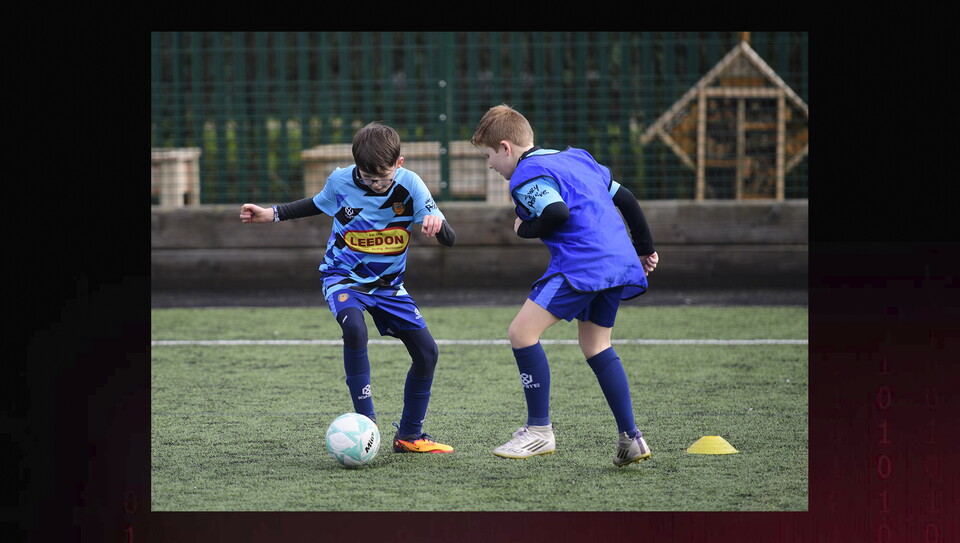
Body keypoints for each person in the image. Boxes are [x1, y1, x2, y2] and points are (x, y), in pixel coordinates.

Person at [240, 121, 456, 454]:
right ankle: (366, 424)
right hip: (342, 277)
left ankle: (410, 436)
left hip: (388, 287)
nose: (376, 185)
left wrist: (437, 225)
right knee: (354, 328)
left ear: (399, 163)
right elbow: (315, 203)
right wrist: (271, 214)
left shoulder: (411, 184)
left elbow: (450, 238)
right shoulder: (340, 181)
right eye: (368, 179)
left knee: (428, 354)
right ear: (356, 167)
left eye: (383, 177)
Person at [470, 104, 659, 466]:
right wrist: (645, 249)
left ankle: (539, 430)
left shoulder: (525, 175)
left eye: (488, 156)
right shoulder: (578, 158)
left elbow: (556, 212)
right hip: (617, 261)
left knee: (521, 333)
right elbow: (626, 198)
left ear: (506, 148)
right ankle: (631, 437)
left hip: (582, 265)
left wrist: (523, 228)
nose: (490, 165)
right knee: (596, 345)